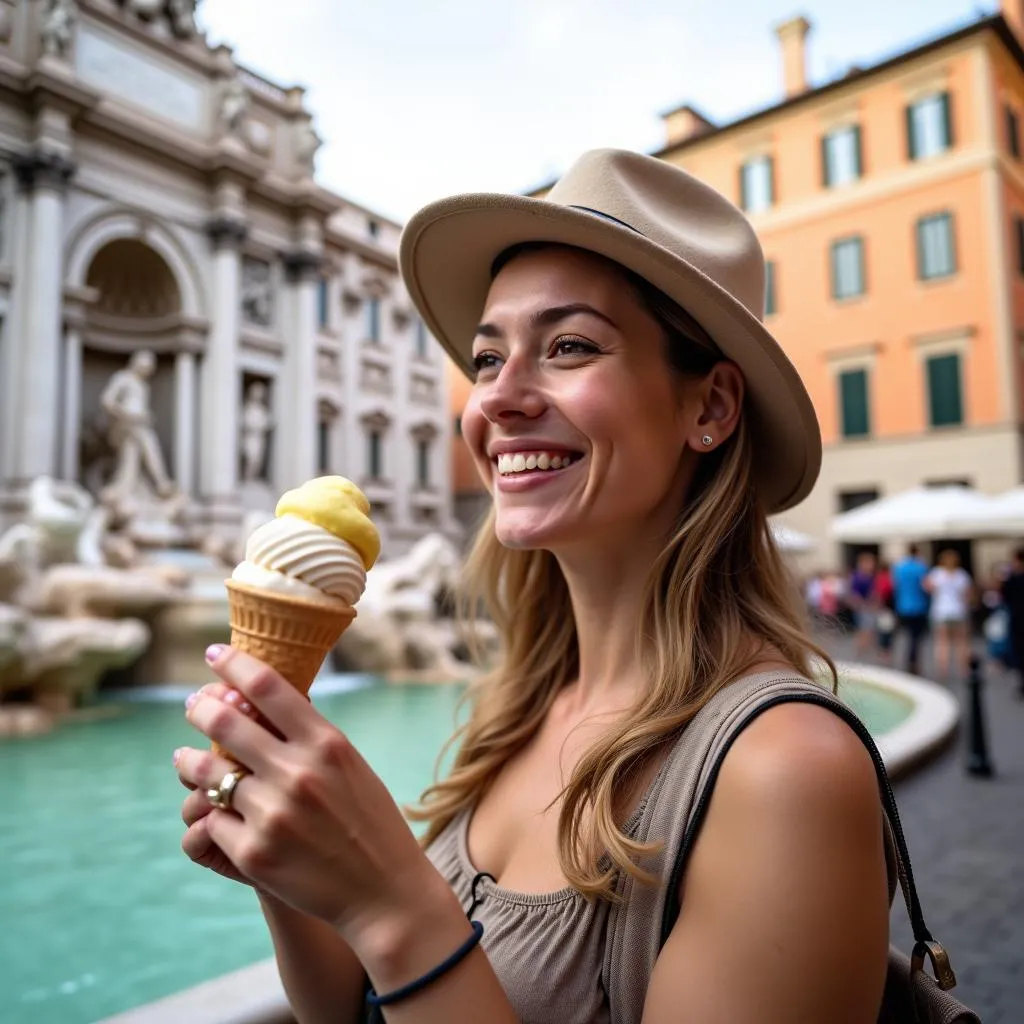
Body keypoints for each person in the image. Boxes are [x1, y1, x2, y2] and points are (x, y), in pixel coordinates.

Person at [173, 150, 891, 1021]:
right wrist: (293, 868)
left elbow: (404, 946)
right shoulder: (522, 706)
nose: (498, 400)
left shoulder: (786, 773)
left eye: (569, 347)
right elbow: (351, 1010)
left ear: (709, 408)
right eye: (485, 358)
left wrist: (392, 907)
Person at [925, 548, 974, 681]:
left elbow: (927, 586)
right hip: (958, 611)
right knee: (961, 642)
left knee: (942, 642)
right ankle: (964, 669)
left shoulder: (937, 574)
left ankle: (943, 669)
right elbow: (968, 594)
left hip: (941, 611)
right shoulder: (961, 575)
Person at [891, 543, 930, 676]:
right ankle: (913, 662)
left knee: (903, 635)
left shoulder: (899, 567)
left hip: (902, 606)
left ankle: (900, 659)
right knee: (915, 638)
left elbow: (895, 586)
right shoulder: (921, 567)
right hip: (918, 607)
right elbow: (925, 586)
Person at [1000, 548, 1024, 695]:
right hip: (1017, 619)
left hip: (1017, 619)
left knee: (1020, 651)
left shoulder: (1012, 579)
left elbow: (1004, 596)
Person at [847, 551, 877, 654]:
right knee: (864, 631)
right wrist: (863, 605)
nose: (871, 565)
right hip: (864, 608)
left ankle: (863, 652)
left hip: (868, 607)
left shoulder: (868, 576)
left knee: (867, 631)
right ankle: (860, 652)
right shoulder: (859, 576)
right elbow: (854, 594)